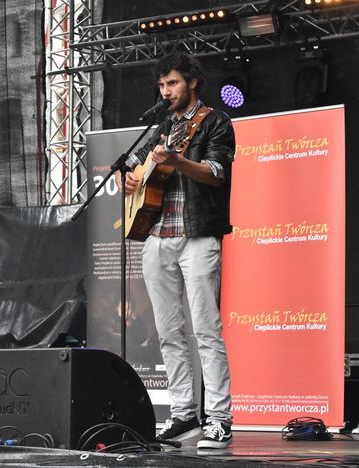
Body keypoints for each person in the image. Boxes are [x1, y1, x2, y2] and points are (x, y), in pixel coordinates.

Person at [119, 51, 235, 449]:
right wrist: (128, 179)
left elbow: (216, 174)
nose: (166, 91)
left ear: (192, 82)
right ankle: (184, 414)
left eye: (173, 83)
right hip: (157, 234)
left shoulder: (216, 121)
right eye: (162, 84)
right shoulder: (162, 126)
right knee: (169, 332)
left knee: (205, 329)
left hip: (198, 235)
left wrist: (179, 161)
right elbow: (132, 166)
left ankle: (219, 418)